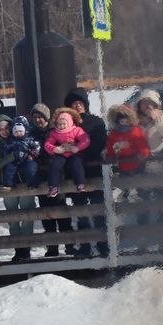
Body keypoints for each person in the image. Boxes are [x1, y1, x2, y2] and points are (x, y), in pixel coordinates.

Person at [64, 90, 108, 258]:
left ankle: (103, 244)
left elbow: (100, 143)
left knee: (98, 209)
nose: (77, 105)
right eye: (74, 103)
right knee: (80, 210)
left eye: (80, 102)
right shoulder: (66, 124)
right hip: (75, 173)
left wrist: (83, 151)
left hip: (94, 170)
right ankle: (84, 245)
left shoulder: (96, 122)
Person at [30, 103, 73, 258]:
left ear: (46, 118)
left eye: (40, 117)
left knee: (61, 210)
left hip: (56, 175)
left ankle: (69, 245)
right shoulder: (31, 135)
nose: (38, 120)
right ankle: (52, 246)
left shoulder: (56, 132)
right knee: (46, 213)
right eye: (35, 118)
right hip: (41, 177)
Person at [0, 115, 40, 262]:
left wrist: (29, 156)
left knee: (27, 214)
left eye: (6, 128)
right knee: (12, 217)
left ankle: (26, 248)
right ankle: (18, 248)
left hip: (25, 183)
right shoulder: (2, 143)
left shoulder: (28, 139)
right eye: (0, 129)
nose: (4, 131)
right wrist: (12, 157)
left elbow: (36, 150)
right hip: (10, 184)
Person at [43, 107, 90, 198]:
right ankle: (53, 186)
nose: (61, 126)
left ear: (69, 123)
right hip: (62, 153)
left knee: (77, 164)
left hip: (74, 153)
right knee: (55, 165)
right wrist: (55, 149)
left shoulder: (76, 130)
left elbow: (85, 139)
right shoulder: (54, 133)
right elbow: (47, 144)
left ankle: (80, 183)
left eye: (64, 124)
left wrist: (77, 147)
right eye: (59, 124)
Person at [105, 104, 151, 177]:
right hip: (122, 165)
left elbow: (143, 146)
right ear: (117, 121)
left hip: (137, 164)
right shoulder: (114, 134)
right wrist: (111, 156)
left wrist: (142, 155)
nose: (124, 124)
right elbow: (110, 146)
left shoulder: (136, 131)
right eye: (122, 121)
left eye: (126, 121)